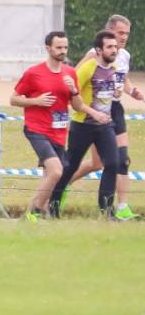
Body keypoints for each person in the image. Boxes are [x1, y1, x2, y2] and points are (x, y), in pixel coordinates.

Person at [11, 31, 98, 221]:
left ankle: (35, 214)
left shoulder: (70, 73)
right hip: (36, 129)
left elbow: (77, 106)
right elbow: (13, 99)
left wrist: (74, 90)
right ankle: (34, 212)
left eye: (65, 47)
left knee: (50, 175)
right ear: (48, 48)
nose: (63, 51)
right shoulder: (34, 73)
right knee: (56, 171)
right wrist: (36, 101)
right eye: (58, 47)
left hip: (58, 131)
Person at [49, 30, 129, 218]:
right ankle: (53, 205)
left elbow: (107, 94)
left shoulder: (114, 68)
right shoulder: (88, 68)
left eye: (115, 47)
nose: (114, 50)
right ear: (99, 50)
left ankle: (106, 210)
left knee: (113, 163)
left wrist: (116, 94)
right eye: (110, 47)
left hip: (105, 126)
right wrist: (92, 112)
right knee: (71, 166)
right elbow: (72, 96)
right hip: (83, 125)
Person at [76, 14, 142, 216]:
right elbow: (75, 76)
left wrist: (133, 91)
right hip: (97, 111)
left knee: (122, 160)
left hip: (116, 109)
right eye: (120, 32)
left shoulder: (125, 55)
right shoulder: (93, 54)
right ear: (109, 32)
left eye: (127, 33)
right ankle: (61, 187)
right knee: (98, 163)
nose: (124, 37)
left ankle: (122, 208)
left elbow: (123, 79)